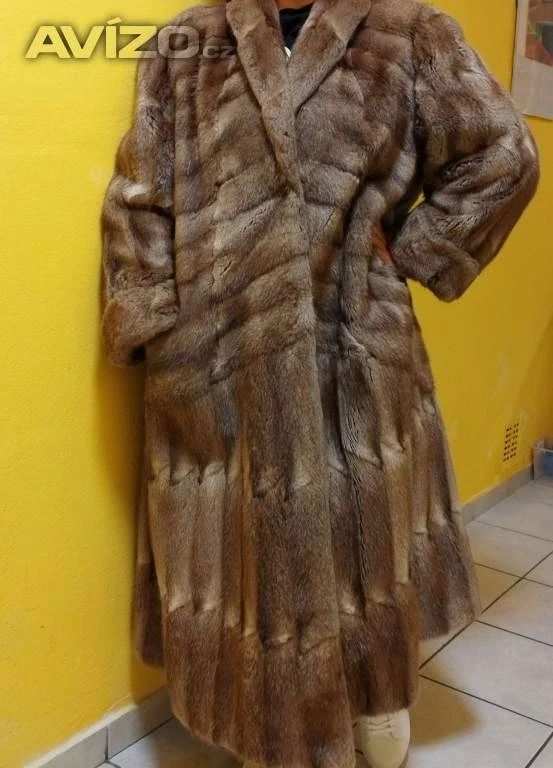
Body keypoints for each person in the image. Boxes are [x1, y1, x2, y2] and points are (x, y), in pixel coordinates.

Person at [99, 0, 540, 766]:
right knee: (243, 554)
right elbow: (139, 194)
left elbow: (504, 155)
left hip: (351, 341)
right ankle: (264, 720)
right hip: (214, 355)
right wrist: (151, 318)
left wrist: (413, 248)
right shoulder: (187, 41)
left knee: (360, 533)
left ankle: (373, 696)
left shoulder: (408, 30)